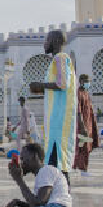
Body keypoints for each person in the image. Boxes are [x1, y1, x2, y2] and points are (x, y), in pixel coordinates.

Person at [29, 30, 78, 186]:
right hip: (55, 119)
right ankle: (57, 197)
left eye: (47, 40)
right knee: (54, 163)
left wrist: (40, 85)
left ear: (55, 41)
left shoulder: (61, 58)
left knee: (59, 162)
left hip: (60, 120)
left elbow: (62, 83)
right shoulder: (57, 60)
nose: (44, 43)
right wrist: (42, 88)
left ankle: (63, 199)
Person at [74, 74, 98, 173]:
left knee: (87, 147)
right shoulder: (78, 93)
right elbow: (78, 111)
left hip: (89, 124)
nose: (88, 83)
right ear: (82, 81)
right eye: (87, 81)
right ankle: (82, 169)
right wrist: (82, 126)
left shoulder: (86, 93)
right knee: (82, 147)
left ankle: (83, 168)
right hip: (82, 125)